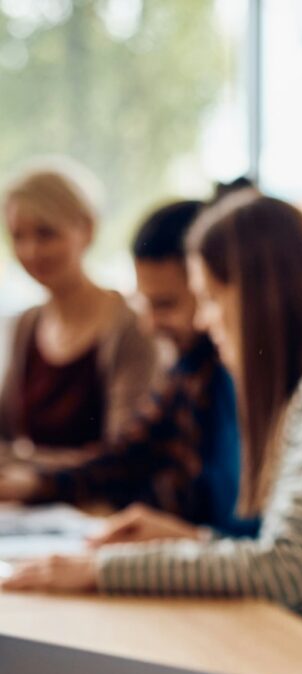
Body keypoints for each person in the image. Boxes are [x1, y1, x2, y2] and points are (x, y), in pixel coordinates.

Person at [2, 190, 302, 666]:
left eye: (207, 298)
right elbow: (288, 554)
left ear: (256, 298)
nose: (203, 318)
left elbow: (287, 567)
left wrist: (99, 570)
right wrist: (196, 543)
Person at [0, 198, 256, 535]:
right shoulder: (189, 371)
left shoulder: (251, 381)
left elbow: (264, 551)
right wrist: (32, 485)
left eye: (165, 304)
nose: (148, 325)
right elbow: (127, 457)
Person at [0, 163, 159, 458]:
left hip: (101, 504)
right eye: (18, 237)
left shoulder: (130, 325)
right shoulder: (27, 324)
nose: (31, 251)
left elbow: (122, 456)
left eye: (46, 234)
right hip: (41, 502)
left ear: (87, 229)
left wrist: (30, 472)